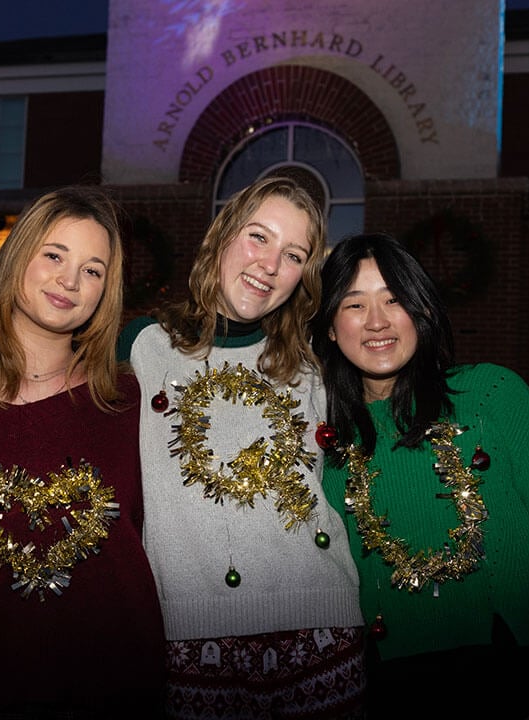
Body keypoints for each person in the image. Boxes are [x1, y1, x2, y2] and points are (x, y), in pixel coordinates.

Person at [312, 232, 529, 719]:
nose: (377, 321)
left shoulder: (492, 395)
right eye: (354, 304)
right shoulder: (323, 438)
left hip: (512, 674)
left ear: (422, 312)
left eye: (394, 299)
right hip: (386, 684)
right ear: (328, 328)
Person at [118, 176, 365, 719]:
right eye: (258, 237)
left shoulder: (316, 366)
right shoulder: (142, 346)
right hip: (188, 634)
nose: (270, 264)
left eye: (293, 254)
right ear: (223, 234)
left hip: (320, 627)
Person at [0, 186, 165, 718]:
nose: (70, 281)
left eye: (93, 270)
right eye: (54, 255)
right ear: (17, 258)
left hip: (117, 688)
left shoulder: (129, 403)